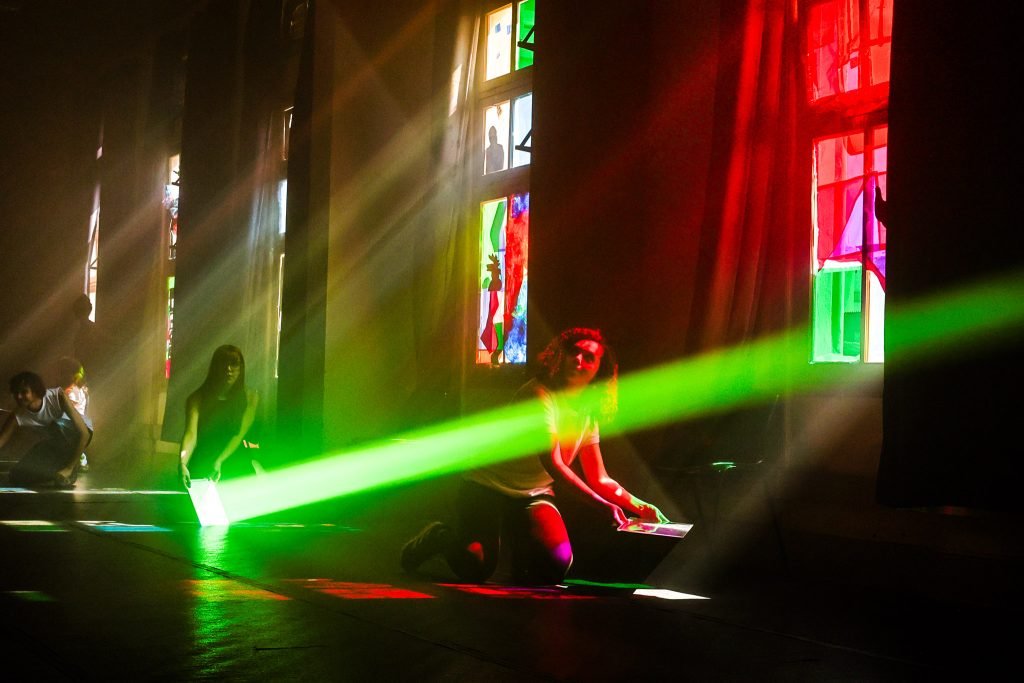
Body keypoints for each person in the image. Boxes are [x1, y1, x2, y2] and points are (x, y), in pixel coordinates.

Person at [401, 327, 668, 585]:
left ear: (600, 369)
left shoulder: (588, 412)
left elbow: (599, 477)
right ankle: (439, 536)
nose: (579, 359)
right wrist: (603, 506)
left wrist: (640, 506)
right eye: (574, 352)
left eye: (589, 357)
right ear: (559, 356)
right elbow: (553, 463)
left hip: (532, 492)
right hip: (486, 485)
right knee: (475, 568)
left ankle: (521, 537)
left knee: (555, 566)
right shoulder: (538, 394)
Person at [178, 345, 260, 488]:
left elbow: (239, 433)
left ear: (241, 368)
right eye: (224, 363)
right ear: (215, 367)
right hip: (204, 461)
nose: (229, 369)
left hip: (235, 463)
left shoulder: (251, 397)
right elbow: (191, 434)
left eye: (234, 364)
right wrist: (182, 463)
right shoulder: (197, 398)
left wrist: (220, 460)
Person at [0, 371, 92, 488]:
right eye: (16, 392)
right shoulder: (18, 414)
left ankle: (70, 466)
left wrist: (69, 468)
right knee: (16, 475)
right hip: (55, 443)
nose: (19, 396)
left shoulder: (57, 397)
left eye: (24, 392)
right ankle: (57, 470)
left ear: (35, 391)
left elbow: (84, 433)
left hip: (77, 436)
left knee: (58, 425)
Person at [56, 356, 92, 471]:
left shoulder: (70, 392)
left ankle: (77, 460)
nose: (59, 376)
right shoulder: (82, 389)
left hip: (72, 424)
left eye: (62, 373)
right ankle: (80, 459)